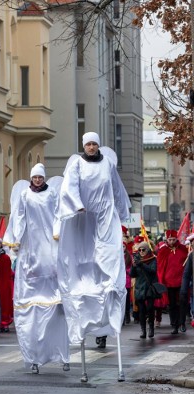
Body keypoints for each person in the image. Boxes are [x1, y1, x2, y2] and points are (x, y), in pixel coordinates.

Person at [55, 132, 130, 350]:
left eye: (94, 144)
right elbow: (68, 188)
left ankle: (108, 302)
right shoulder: (76, 164)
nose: (90, 147)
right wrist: (77, 205)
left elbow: (117, 188)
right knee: (85, 259)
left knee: (107, 258)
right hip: (84, 216)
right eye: (87, 144)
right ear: (84, 146)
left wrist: (122, 212)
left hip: (105, 215)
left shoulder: (107, 163)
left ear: (98, 146)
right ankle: (83, 306)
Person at [4, 163, 70, 374]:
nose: (38, 180)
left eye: (41, 177)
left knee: (56, 307)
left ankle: (62, 354)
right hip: (31, 247)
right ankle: (33, 356)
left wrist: (58, 233)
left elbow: (59, 214)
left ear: (44, 178)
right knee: (30, 308)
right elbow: (18, 217)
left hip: (50, 245)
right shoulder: (24, 195)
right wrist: (16, 239)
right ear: (31, 178)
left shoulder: (52, 194)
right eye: (35, 177)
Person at [156, 229, 188, 334]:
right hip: (168, 283)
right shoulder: (163, 250)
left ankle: (181, 323)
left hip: (181, 282)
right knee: (172, 304)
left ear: (176, 238)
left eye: (173, 239)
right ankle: (174, 325)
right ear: (167, 239)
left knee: (181, 303)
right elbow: (160, 267)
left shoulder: (183, 249)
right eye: (169, 239)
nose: (171, 241)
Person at [130, 241, 159, 339]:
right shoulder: (137, 259)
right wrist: (134, 266)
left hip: (149, 287)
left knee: (150, 308)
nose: (141, 252)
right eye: (140, 250)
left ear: (148, 250)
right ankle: (143, 330)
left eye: (143, 250)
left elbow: (153, 271)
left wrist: (141, 264)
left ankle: (151, 328)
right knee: (141, 310)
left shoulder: (153, 259)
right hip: (139, 287)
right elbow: (132, 275)